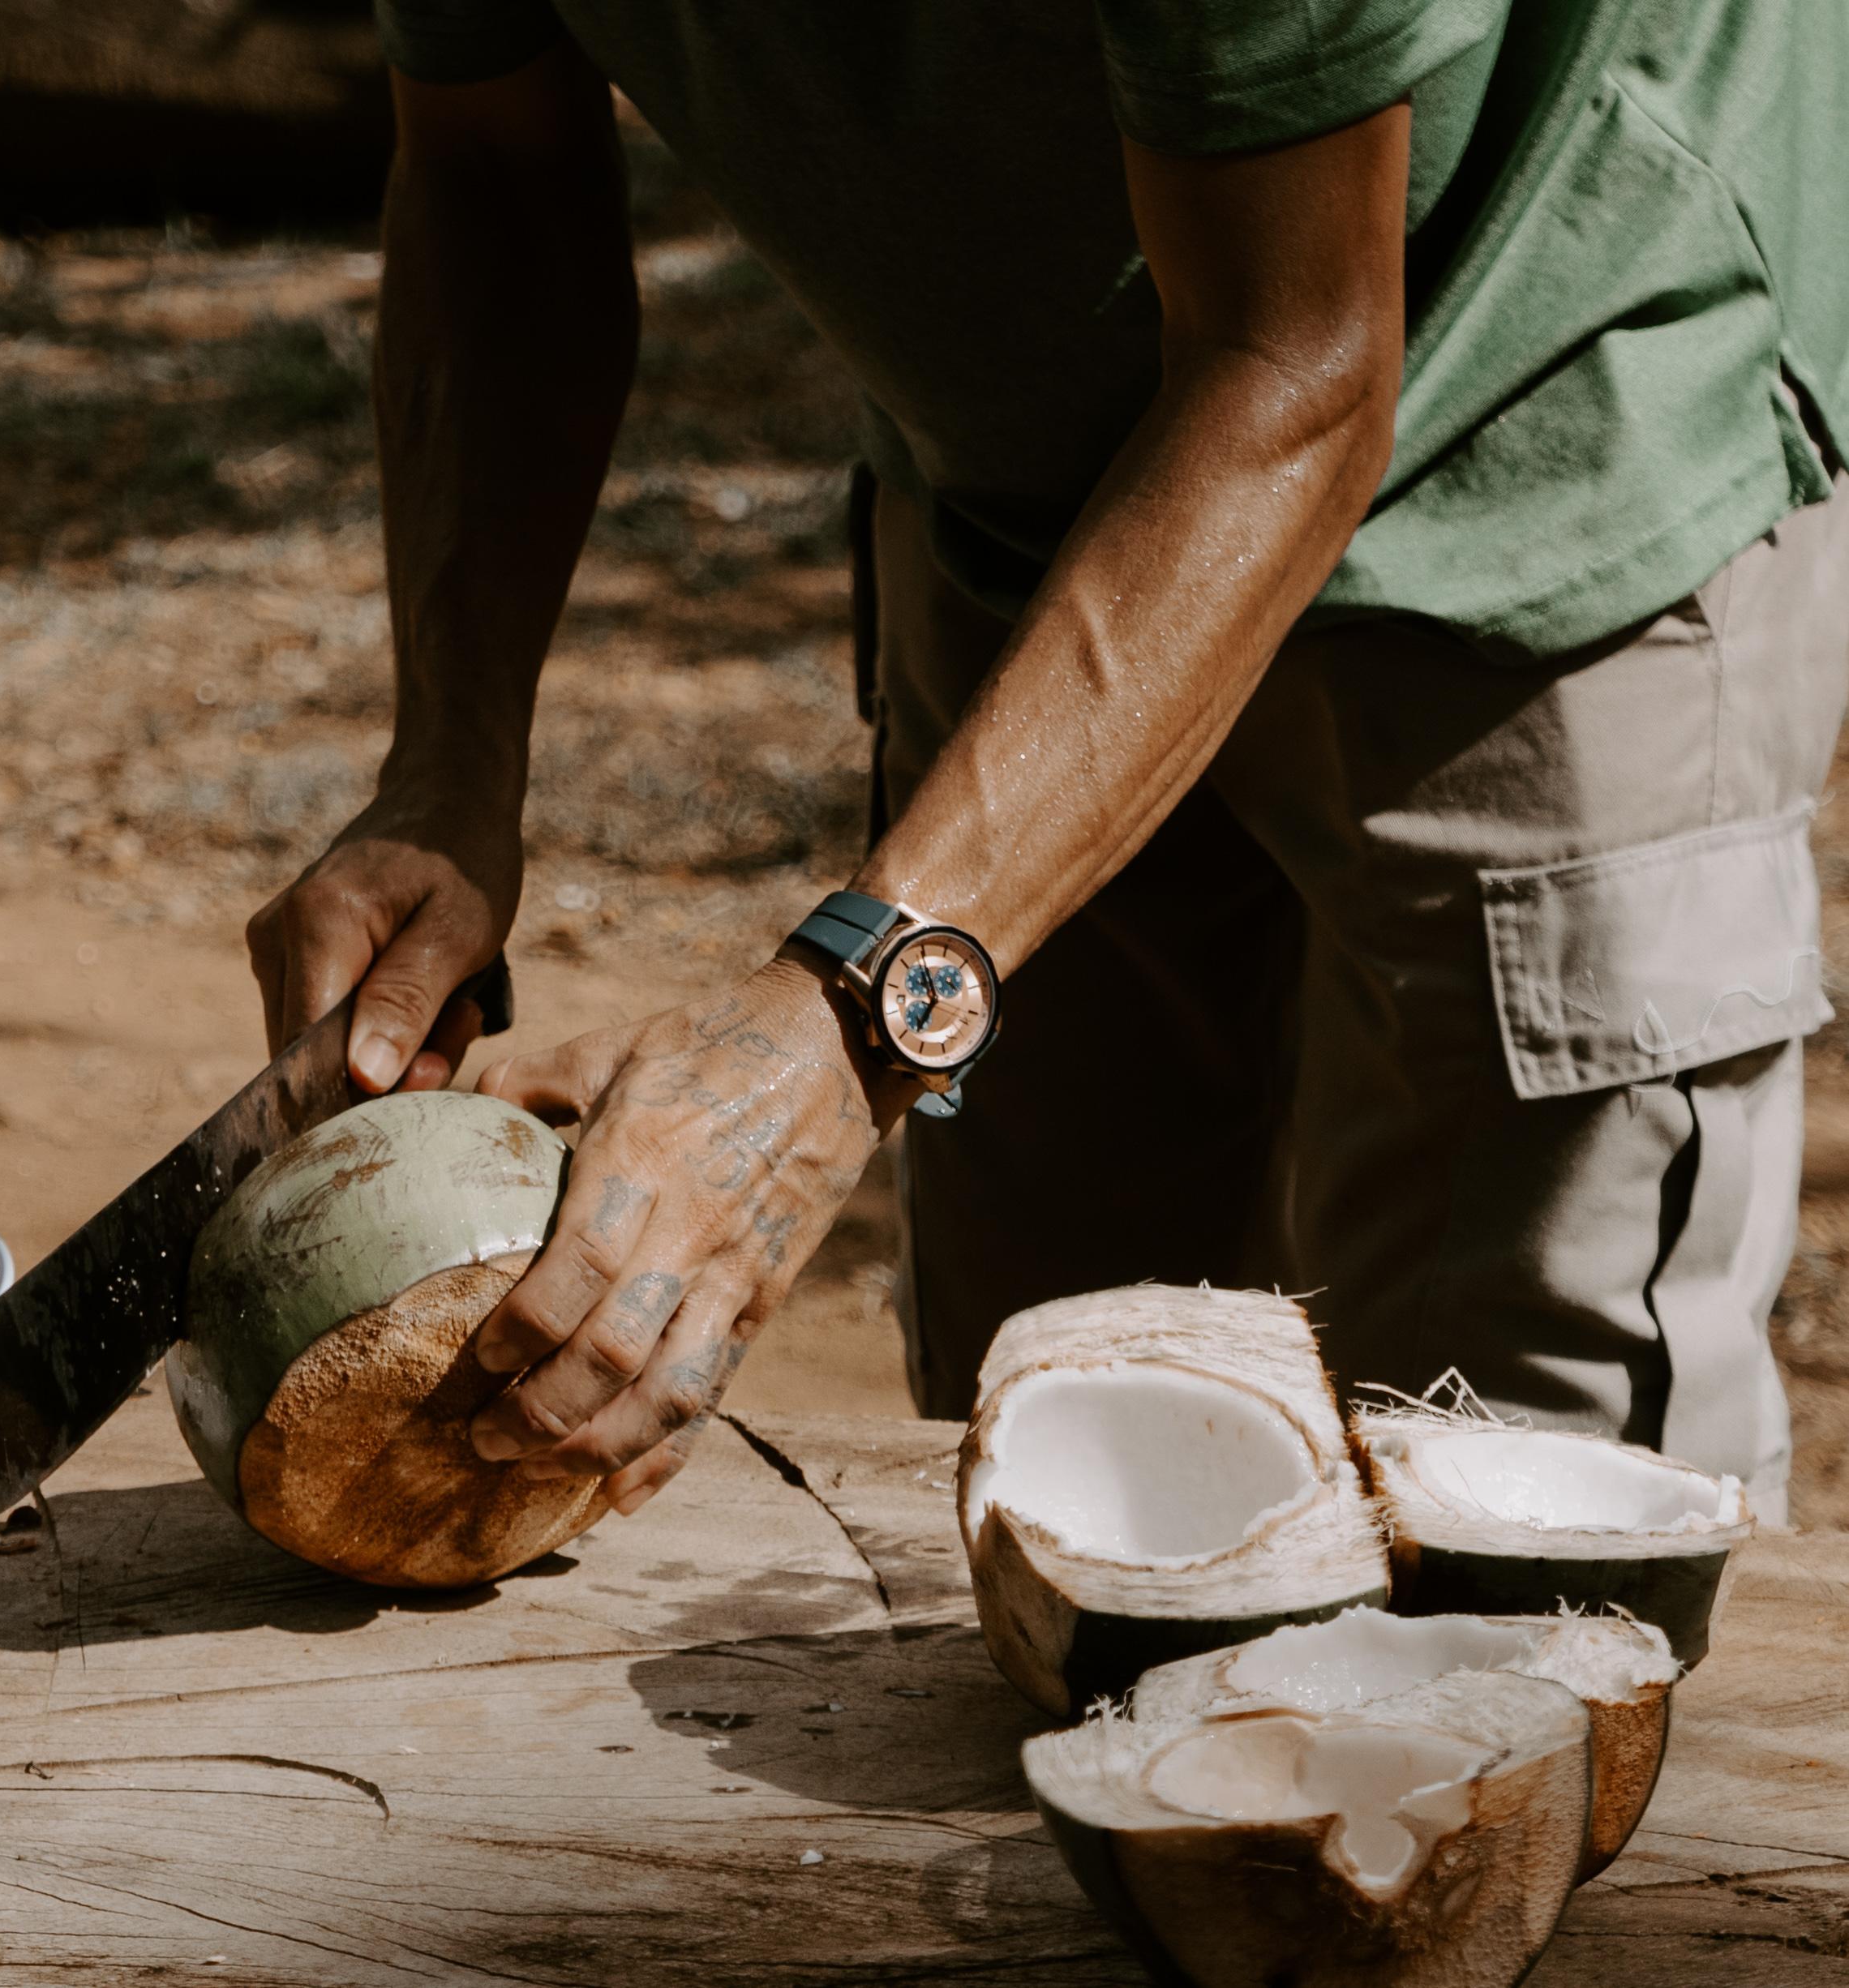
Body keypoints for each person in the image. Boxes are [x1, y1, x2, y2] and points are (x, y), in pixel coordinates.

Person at [245, 0, 1849, 1523]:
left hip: (1538, 410)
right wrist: (445, 772)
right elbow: (492, 167)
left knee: (1517, 1529)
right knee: (1068, 1443)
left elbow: (1295, 362)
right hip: (1025, 494)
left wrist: (854, 1010)